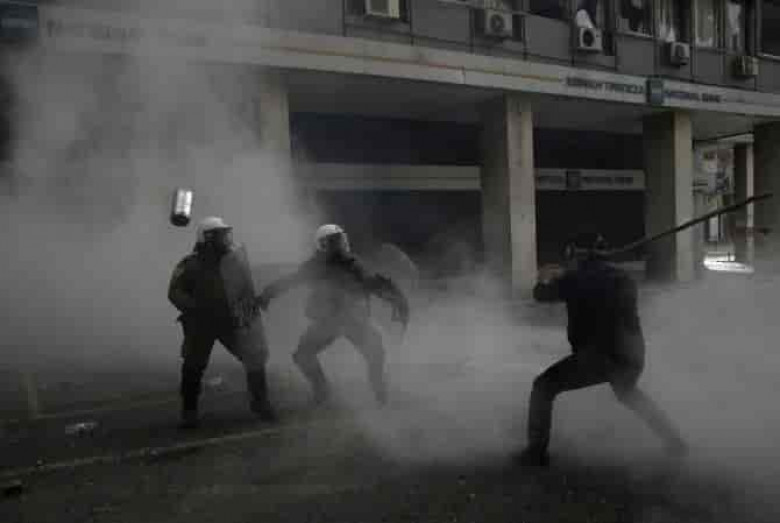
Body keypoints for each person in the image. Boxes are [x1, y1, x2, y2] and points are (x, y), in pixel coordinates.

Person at [516, 232, 687, 466]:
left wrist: (545, 277)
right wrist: (568, 277)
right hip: (633, 355)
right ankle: (674, 441)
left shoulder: (575, 279)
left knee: (543, 386)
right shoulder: (623, 277)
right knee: (627, 392)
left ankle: (536, 453)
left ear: (576, 255)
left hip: (601, 355)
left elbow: (540, 294)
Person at [258, 224, 409, 407]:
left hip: (351, 320)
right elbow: (291, 281)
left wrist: (397, 300)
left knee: (375, 353)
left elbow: (374, 283)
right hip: (331, 321)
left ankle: (379, 393)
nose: (338, 245)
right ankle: (324, 390)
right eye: (332, 242)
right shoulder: (318, 266)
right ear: (322, 245)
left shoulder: (350, 265)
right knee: (303, 355)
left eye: (339, 240)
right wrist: (267, 294)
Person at [168, 216, 276, 429]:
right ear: (207, 238)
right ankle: (189, 412)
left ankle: (261, 403)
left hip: (230, 321)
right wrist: (195, 308)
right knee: (193, 366)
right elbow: (175, 292)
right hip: (201, 323)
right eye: (220, 236)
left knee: (254, 357)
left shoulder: (234, 262)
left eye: (226, 235)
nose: (225, 240)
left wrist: (250, 315)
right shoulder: (190, 264)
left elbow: (245, 291)